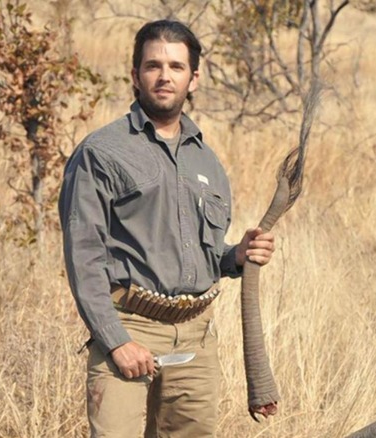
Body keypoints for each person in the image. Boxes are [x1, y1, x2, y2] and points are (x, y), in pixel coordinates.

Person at [59, 20, 277, 437]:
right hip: (129, 327)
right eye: (153, 65)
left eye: (176, 67)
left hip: (196, 338)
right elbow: (83, 257)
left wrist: (236, 256)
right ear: (135, 75)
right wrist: (117, 340)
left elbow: (205, 254)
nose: (164, 76)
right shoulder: (101, 152)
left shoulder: (207, 161)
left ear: (194, 78)